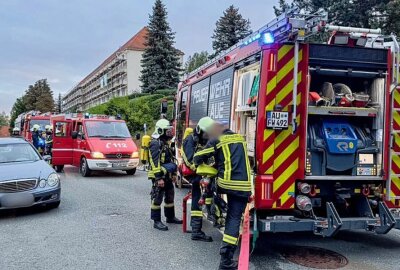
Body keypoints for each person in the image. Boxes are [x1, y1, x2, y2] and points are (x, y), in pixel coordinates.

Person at [194, 124, 252, 270]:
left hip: (225, 183)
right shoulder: (239, 138)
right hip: (244, 186)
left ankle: (215, 212)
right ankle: (226, 260)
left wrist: (207, 166)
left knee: (210, 187)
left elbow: (197, 158)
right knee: (233, 219)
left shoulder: (216, 139)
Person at [181, 117, 215, 242]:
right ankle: (196, 231)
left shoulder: (204, 140)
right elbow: (190, 161)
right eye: (206, 133)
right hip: (194, 174)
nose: (207, 136)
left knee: (210, 191)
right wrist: (206, 170)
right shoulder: (189, 141)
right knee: (197, 196)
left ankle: (212, 214)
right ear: (199, 130)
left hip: (204, 172)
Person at [149, 119, 182, 231]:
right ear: (160, 131)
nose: (169, 133)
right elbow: (154, 161)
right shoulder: (155, 143)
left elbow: (170, 159)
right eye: (167, 131)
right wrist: (158, 178)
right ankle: (156, 221)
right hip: (159, 175)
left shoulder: (165, 143)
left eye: (170, 131)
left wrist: (172, 174)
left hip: (167, 174)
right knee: (157, 198)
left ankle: (170, 217)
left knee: (170, 196)